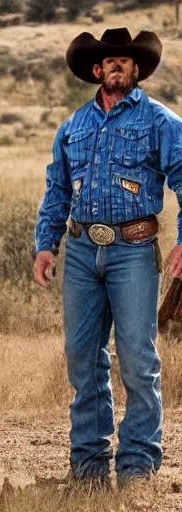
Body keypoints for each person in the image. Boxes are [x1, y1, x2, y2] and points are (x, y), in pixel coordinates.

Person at [34, 28, 182, 488]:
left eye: (126, 60)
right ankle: (89, 466)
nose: (117, 65)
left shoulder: (162, 122)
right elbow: (57, 191)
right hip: (79, 251)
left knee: (138, 359)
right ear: (96, 71)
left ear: (137, 70)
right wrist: (46, 244)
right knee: (82, 358)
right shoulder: (72, 127)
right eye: (108, 61)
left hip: (134, 251)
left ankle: (137, 464)